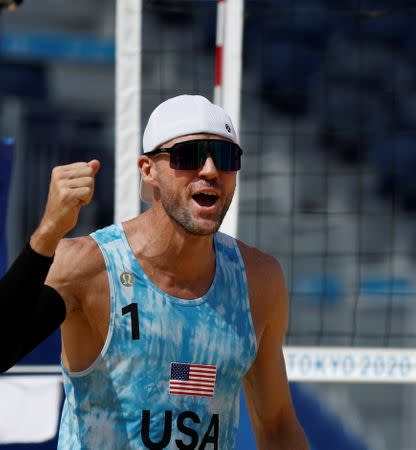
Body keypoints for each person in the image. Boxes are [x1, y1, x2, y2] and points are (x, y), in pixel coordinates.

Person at [0, 94, 309, 449]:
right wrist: (47, 234)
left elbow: (277, 424)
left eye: (225, 157)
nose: (209, 170)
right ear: (148, 170)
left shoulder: (258, 279)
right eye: (188, 156)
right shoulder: (90, 265)